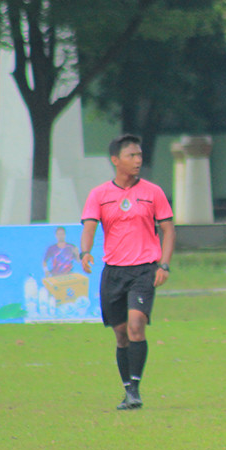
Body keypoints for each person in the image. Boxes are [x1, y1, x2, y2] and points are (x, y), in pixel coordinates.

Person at [79, 134, 175, 411]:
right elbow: (89, 226)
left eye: (140, 155)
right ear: (115, 160)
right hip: (114, 273)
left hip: (144, 270)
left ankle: (134, 389)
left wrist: (164, 264)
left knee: (136, 325)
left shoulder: (153, 192)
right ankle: (127, 389)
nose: (138, 160)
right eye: (132, 156)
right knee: (121, 333)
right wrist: (85, 252)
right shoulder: (99, 194)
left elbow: (168, 229)